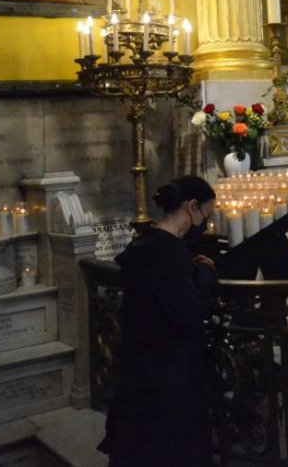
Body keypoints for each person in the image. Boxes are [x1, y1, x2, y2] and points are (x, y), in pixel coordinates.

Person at [99, 177, 217, 467]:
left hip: (138, 366)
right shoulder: (170, 252)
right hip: (166, 374)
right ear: (191, 207)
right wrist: (203, 275)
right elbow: (188, 313)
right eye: (206, 215)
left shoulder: (147, 241)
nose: (205, 223)